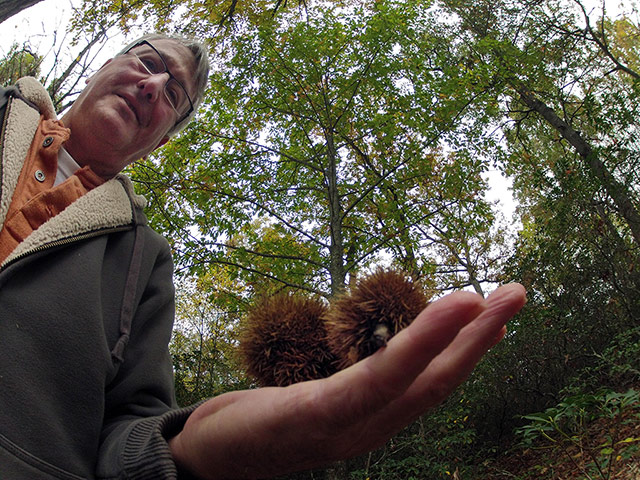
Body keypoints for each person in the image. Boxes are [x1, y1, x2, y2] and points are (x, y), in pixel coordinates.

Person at [0, 31, 527, 480]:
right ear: (106, 65)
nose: (154, 85)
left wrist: (185, 448)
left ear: (162, 139)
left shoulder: (143, 263)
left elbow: (124, 434)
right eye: (148, 63)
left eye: (174, 95)